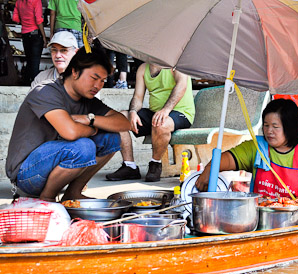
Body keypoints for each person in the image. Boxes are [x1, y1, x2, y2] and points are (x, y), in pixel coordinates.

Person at [5, 47, 131, 201]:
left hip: (55, 165)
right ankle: (48, 199)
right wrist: (93, 130)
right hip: (27, 174)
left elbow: (124, 123)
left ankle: (73, 193)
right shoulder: (45, 91)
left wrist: (89, 119)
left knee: (111, 138)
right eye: (94, 77)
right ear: (75, 72)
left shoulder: (87, 100)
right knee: (84, 146)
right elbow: (70, 132)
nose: (98, 85)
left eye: (103, 81)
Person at [195, 99, 298, 208]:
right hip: (259, 216)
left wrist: (291, 205)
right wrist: (209, 169)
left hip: (295, 221)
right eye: (266, 126)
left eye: (275, 127)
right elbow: (228, 159)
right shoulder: (256, 147)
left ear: (290, 128)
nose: (269, 131)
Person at [106, 62, 195, 182]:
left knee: (161, 123)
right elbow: (138, 97)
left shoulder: (176, 64)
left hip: (181, 112)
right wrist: (132, 111)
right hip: (156, 113)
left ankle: (155, 164)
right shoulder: (143, 68)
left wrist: (166, 110)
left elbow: (181, 86)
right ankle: (129, 166)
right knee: (120, 118)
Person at [12, 0, 48, 85]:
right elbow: (38, 20)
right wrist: (43, 36)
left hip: (25, 34)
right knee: (35, 63)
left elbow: (15, 18)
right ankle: (34, 88)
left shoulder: (19, 2)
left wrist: (25, 21)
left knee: (29, 61)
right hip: (35, 34)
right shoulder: (36, 1)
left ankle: (27, 85)